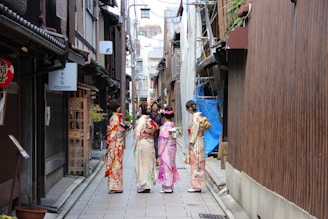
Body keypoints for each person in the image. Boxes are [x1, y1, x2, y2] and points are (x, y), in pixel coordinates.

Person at [133, 102, 159, 193]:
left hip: (142, 144)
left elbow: (136, 134)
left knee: (142, 164)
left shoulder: (140, 121)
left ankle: (143, 184)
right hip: (150, 143)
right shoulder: (150, 120)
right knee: (149, 164)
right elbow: (155, 129)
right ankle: (148, 184)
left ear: (140, 110)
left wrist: (135, 145)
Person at [185, 100, 211, 193]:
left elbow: (194, 131)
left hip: (196, 141)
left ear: (189, 109)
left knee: (195, 163)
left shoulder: (195, 118)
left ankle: (196, 186)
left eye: (187, 109)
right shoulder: (199, 117)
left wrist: (191, 142)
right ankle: (198, 185)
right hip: (200, 140)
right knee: (200, 162)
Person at [105, 99, 127, 194]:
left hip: (114, 144)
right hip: (119, 144)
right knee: (117, 164)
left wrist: (108, 141)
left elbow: (112, 134)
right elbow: (121, 130)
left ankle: (115, 187)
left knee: (114, 164)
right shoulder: (118, 118)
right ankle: (118, 185)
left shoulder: (114, 118)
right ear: (117, 108)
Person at [157, 106, 180, 193]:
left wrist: (159, 152)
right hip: (172, 147)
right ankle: (170, 186)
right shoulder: (173, 126)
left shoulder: (164, 127)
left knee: (166, 166)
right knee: (171, 165)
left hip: (166, 148)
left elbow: (162, 140)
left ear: (164, 117)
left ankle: (167, 186)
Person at [149, 101, 163, 165]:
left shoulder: (159, 115)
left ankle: (157, 159)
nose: (155, 107)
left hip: (157, 133)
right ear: (151, 107)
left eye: (156, 106)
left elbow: (161, 123)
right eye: (153, 106)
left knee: (156, 146)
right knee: (150, 147)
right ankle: (151, 160)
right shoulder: (149, 115)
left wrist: (159, 127)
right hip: (150, 133)